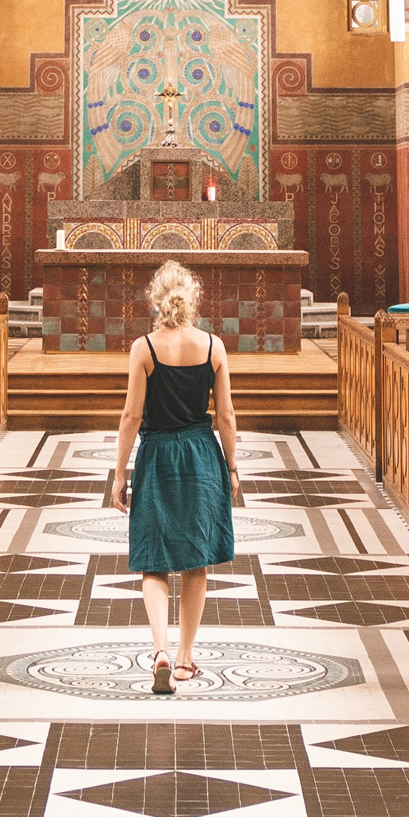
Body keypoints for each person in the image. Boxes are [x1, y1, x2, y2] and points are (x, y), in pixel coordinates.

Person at [110, 260, 240, 694]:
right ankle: (185, 660)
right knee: (195, 560)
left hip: (159, 455)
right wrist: (233, 468)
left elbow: (131, 415)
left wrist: (119, 474)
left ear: (155, 299)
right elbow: (225, 415)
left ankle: (160, 650)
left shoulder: (143, 349)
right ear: (192, 298)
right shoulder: (213, 348)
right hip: (202, 455)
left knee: (153, 557)